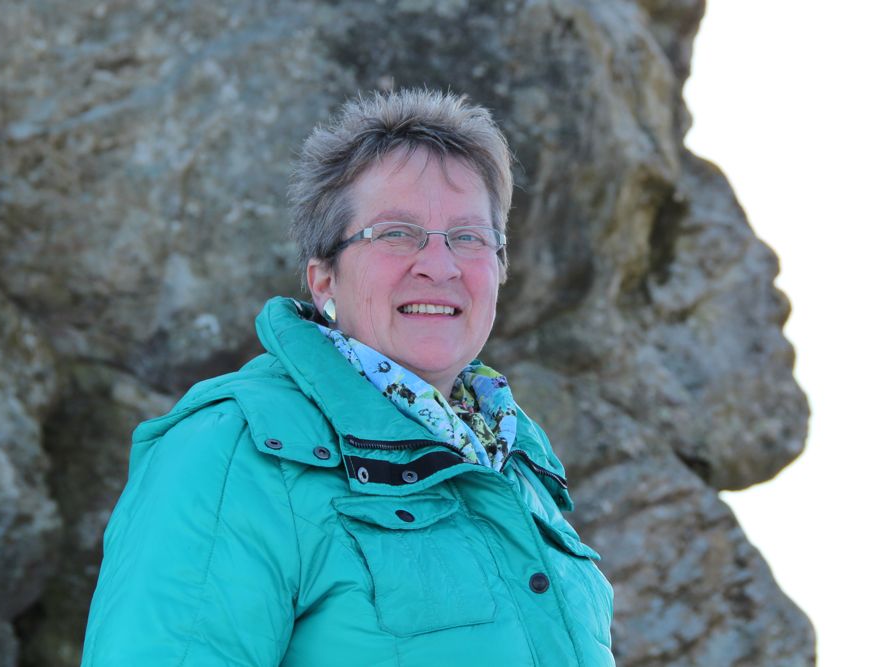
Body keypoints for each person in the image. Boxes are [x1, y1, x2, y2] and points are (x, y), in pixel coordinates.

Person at [82, 89, 614, 666]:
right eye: (396, 233)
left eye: (468, 237)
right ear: (324, 280)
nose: (440, 266)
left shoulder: (517, 466)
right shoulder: (233, 452)